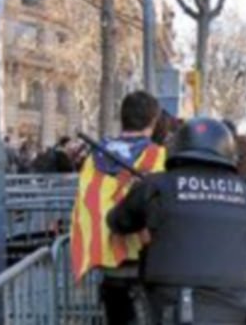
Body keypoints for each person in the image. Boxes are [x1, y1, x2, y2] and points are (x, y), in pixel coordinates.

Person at [107, 117, 246, 324]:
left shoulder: (157, 186)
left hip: (173, 307)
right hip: (232, 310)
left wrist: (140, 196)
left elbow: (118, 221)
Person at [69, 91, 166, 325]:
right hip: (145, 265)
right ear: (153, 121)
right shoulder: (157, 156)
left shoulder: (95, 157)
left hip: (107, 263)